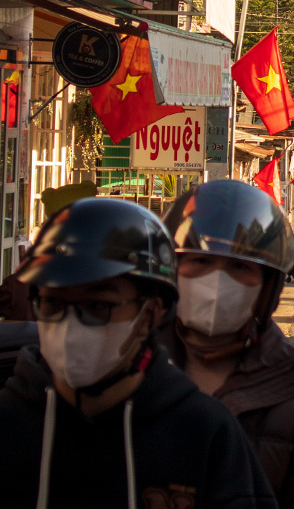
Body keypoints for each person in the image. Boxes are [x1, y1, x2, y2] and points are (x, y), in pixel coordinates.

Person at [0, 196, 277, 508]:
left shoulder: (204, 433)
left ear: (152, 312)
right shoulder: (8, 423)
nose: (69, 325)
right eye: (52, 304)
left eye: (98, 306)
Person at [163, 180, 294, 509]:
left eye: (240, 267)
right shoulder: (119, 374)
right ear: (171, 270)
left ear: (268, 289)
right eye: (201, 262)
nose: (217, 281)